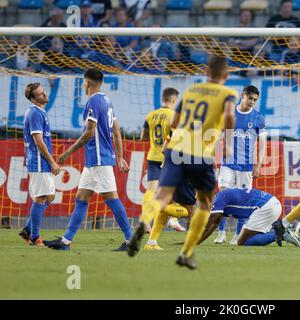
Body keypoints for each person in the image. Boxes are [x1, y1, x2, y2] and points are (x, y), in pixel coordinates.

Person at [127, 56, 237, 270]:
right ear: (225, 75)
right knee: (204, 204)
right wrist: (229, 142)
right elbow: (230, 115)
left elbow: (173, 122)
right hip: (199, 152)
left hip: (175, 148)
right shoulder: (228, 94)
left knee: (161, 196)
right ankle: (185, 253)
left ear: (206, 72)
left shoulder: (190, 91)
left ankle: (142, 225)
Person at [44, 69, 133, 251]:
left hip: (99, 158)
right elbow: (116, 131)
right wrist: (120, 157)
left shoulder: (93, 101)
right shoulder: (107, 101)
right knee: (81, 198)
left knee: (111, 198)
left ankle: (131, 240)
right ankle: (66, 242)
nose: (83, 85)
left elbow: (89, 132)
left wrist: (68, 152)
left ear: (87, 83)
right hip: (94, 160)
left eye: (83, 83)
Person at [214, 85, 266, 245]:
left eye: (255, 100)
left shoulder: (258, 118)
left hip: (246, 167)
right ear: (243, 95)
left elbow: (263, 144)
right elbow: (217, 137)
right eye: (250, 98)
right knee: (222, 197)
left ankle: (237, 236)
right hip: (228, 164)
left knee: (244, 201)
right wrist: (215, 158)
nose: (252, 102)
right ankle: (220, 233)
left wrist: (258, 166)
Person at [140, 88, 190, 245]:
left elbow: (142, 137)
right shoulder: (174, 116)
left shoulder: (150, 115)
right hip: (169, 158)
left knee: (151, 190)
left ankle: (145, 221)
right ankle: (173, 219)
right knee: (175, 191)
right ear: (174, 100)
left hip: (153, 156)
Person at [18, 83, 61, 245]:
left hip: (39, 162)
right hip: (39, 161)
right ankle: (34, 237)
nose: (45, 95)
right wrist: (52, 162)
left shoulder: (39, 112)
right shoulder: (35, 113)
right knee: (41, 197)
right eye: (41, 94)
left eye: (44, 92)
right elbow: (38, 141)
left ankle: (29, 229)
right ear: (33, 98)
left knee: (49, 196)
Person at [199, 188, 300, 247]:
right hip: (271, 203)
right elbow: (214, 225)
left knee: (241, 242)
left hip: (265, 207)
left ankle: (281, 233)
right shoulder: (221, 198)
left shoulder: (219, 200)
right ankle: (278, 230)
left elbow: (209, 223)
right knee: (249, 240)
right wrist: (197, 242)